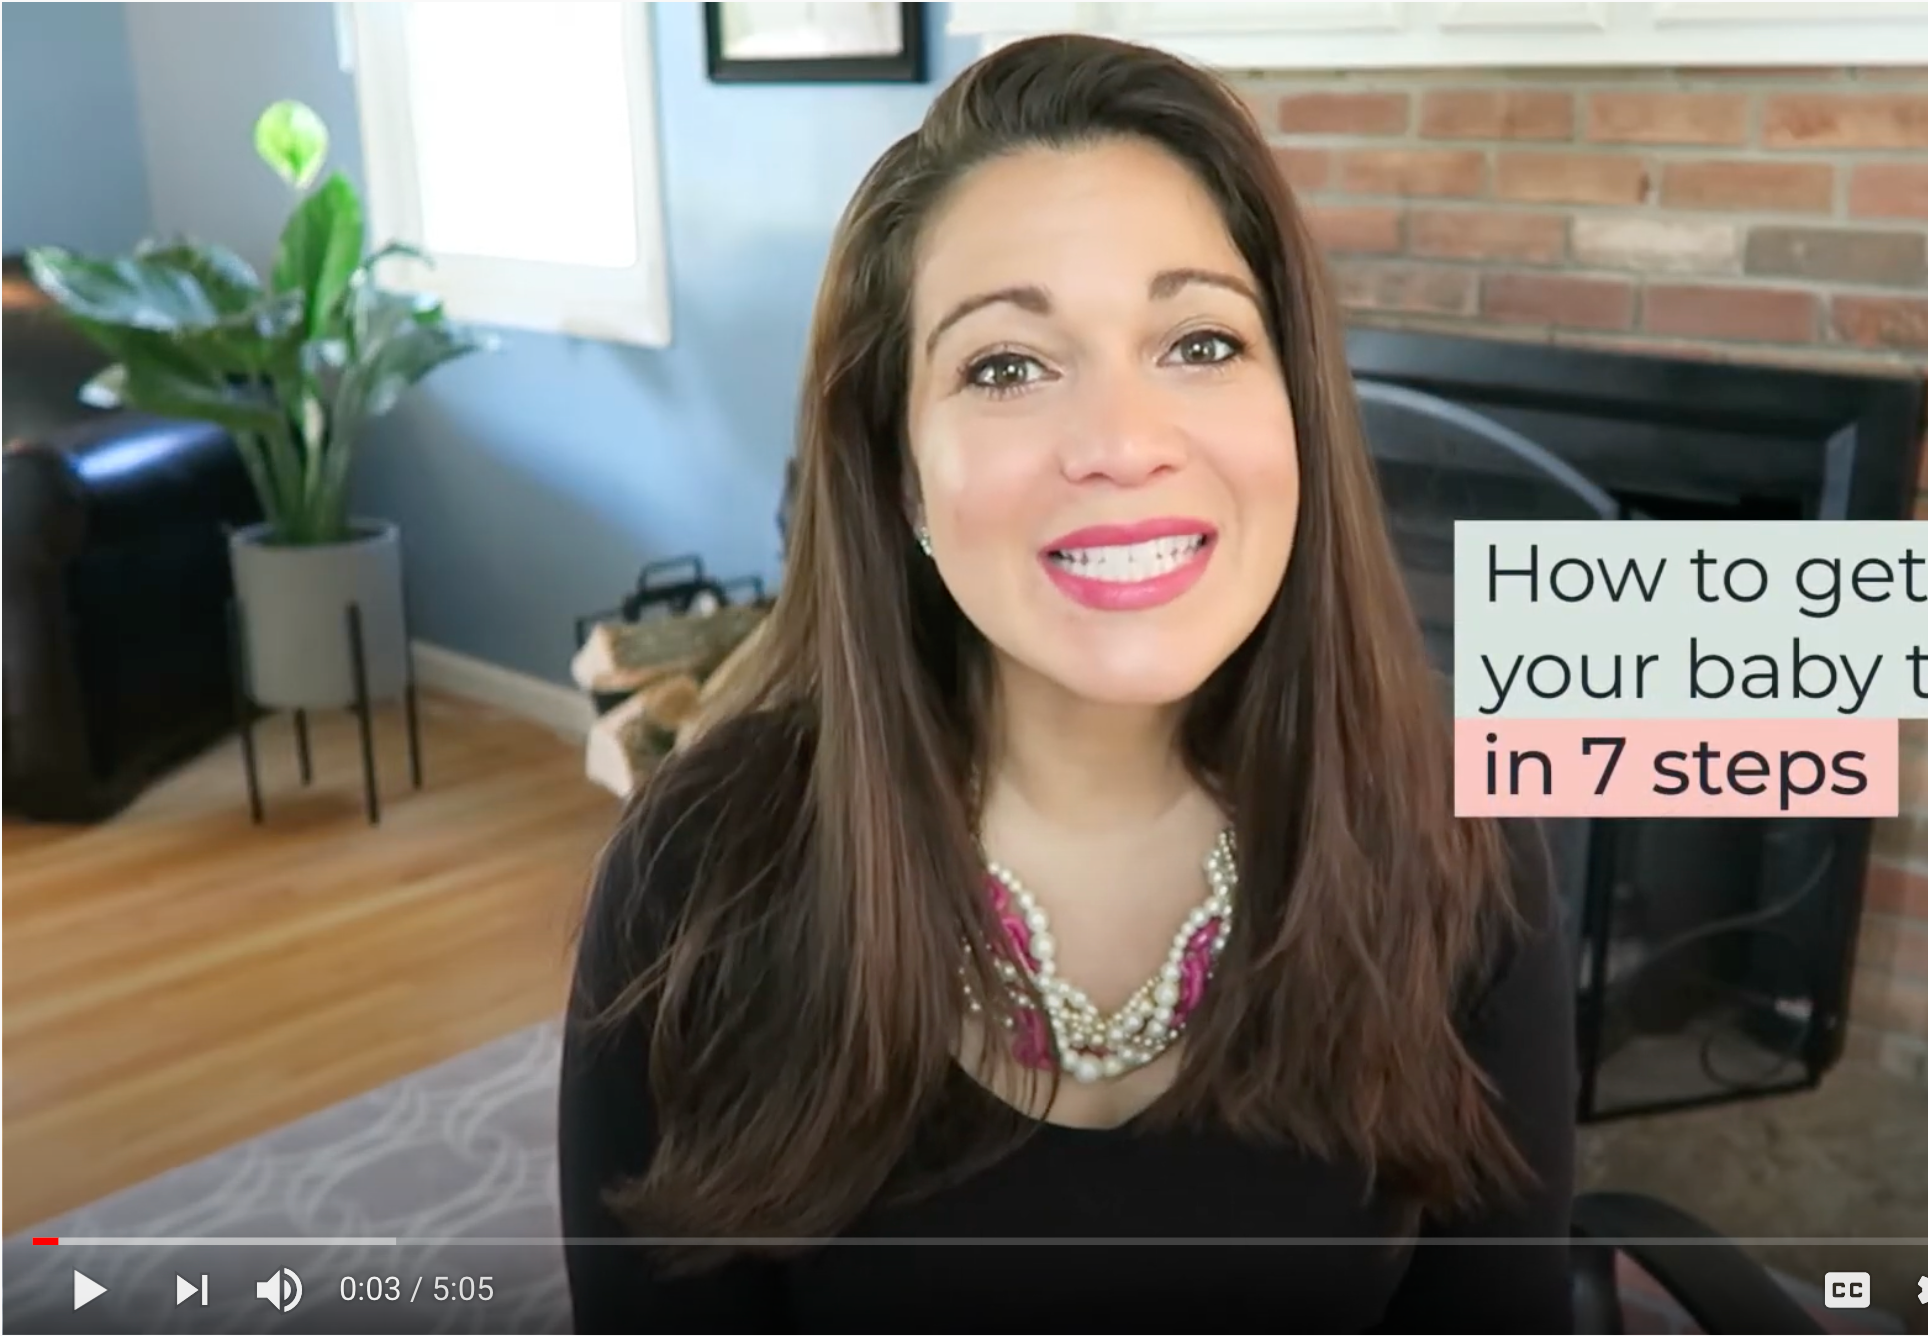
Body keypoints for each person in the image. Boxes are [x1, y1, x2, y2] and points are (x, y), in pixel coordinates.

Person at [558, 32, 1576, 1334]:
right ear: (899, 475)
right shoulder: (698, 876)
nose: (1120, 446)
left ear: (1299, 413)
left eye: (1200, 344)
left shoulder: (1463, 841)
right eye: (1007, 366)